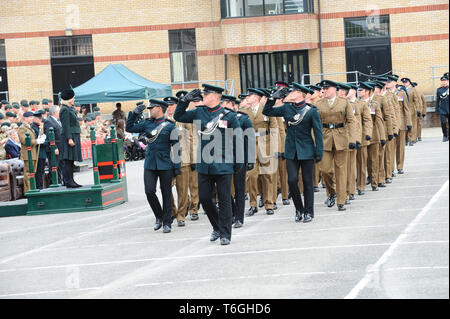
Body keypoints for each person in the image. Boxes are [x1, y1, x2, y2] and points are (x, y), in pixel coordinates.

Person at [174, 84, 243, 246]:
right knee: (205, 199)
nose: (203, 95)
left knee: (225, 200)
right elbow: (179, 116)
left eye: (206, 93)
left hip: (223, 163)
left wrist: (238, 162)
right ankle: (217, 226)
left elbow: (238, 140)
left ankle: (225, 234)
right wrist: (184, 100)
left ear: (216, 96)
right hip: (204, 164)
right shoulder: (199, 112)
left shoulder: (229, 116)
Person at [263, 83, 323, 222]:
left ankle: (308, 212)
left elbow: (318, 132)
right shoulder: (287, 108)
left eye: (292, 92)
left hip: (307, 150)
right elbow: (267, 112)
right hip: (291, 150)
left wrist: (319, 151)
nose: (289, 93)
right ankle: (298, 209)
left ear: (300, 94)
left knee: (308, 182)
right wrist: (272, 98)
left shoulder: (311, 110)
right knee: (292, 180)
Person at [127, 99, 180, 234]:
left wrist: (177, 166)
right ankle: (159, 216)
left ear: (160, 109)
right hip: (150, 163)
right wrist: (133, 113)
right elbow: (129, 128)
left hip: (165, 163)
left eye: (152, 108)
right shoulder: (147, 123)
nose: (149, 110)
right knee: (149, 191)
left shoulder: (170, 126)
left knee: (166, 193)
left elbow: (176, 146)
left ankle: (167, 223)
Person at [315, 80, 357, 211]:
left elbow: (352, 121)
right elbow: (315, 124)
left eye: (327, 88)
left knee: (341, 170)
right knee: (325, 170)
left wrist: (352, 139)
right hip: (325, 137)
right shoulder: (318, 104)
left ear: (334, 89)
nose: (324, 91)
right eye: (323, 89)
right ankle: (332, 192)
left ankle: (341, 200)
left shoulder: (344, 102)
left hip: (341, 137)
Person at [240, 88, 278, 216]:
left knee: (267, 176)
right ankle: (253, 204)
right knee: (251, 176)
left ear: (256, 97)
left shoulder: (267, 110)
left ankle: (269, 204)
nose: (247, 98)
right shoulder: (243, 112)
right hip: (250, 145)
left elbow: (273, 128)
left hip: (265, 144)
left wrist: (275, 147)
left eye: (249, 96)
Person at [221, 94, 255, 228]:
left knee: (240, 189)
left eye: (224, 103)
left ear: (231, 104)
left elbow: (250, 139)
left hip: (240, 158)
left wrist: (250, 159)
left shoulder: (243, 118)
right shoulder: (221, 118)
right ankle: (233, 212)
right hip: (225, 158)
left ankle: (239, 218)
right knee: (224, 189)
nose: (221, 105)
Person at [165, 96, 192, 227]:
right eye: (167, 106)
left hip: (183, 159)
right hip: (166, 160)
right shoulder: (161, 121)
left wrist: (193, 159)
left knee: (182, 189)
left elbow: (191, 139)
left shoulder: (183, 120)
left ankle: (181, 215)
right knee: (165, 188)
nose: (169, 108)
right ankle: (173, 211)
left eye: (172, 105)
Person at [59, 89, 83, 188]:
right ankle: (68, 181)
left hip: (74, 135)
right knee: (68, 160)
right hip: (69, 136)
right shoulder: (64, 109)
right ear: (69, 99)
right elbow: (66, 126)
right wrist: (69, 138)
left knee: (71, 160)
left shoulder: (69, 108)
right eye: (73, 97)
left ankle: (71, 179)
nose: (74, 99)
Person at [18, 111, 43, 193]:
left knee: (32, 172)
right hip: (27, 153)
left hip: (32, 152)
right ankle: (28, 190)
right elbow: (25, 140)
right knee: (28, 173)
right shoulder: (22, 128)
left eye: (32, 117)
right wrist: (36, 141)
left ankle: (32, 188)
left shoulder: (29, 127)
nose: (32, 118)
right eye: (30, 117)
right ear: (25, 118)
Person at [44, 105, 65, 184]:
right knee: (54, 166)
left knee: (60, 166)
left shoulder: (57, 120)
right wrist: (54, 147)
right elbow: (49, 136)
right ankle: (53, 183)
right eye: (59, 111)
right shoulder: (48, 121)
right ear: (55, 112)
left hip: (61, 147)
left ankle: (59, 182)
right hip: (54, 148)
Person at [401, 77, 422, 146]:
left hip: (411, 110)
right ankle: (405, 139)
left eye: (405, 82)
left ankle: (411, 139)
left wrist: (418, 109)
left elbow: (416, 100)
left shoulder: (413, 90)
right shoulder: (401, 90)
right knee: (404, 125)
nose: (404, 84)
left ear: (409, 82)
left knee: (412, 124)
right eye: (403, 83)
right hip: (403, 110)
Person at [31, 111, 47, 189]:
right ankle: (39, 187)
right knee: (38, 172)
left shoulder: (39, 127)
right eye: (39, 118)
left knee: (41, 171)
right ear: (35, 119)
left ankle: (41, 186)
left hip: (42, 152)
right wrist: (43, 141)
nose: (41, 120)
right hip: (38, 152)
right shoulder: (33, 128)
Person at [436, 75, 449, 142]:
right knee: (443, 123)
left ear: (448, 81)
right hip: (443, 109)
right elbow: (437, 100)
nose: (444, 82)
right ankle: (445, 135)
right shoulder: (439, 90)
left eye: (445, 81)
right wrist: (437, 110)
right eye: (442, 81)